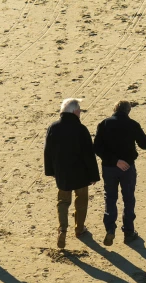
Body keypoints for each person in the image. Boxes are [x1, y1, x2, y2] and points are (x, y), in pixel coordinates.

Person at [44, 98, 100, 249]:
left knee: (63, 201)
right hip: (80, 174)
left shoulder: (53, 127)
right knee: (81, 201)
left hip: (62, 173)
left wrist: (51, 171)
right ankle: (79, 229)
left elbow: (47, 151)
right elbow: (89, 154)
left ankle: (62, 229)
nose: (80, 112)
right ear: (75, 111)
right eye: (80, 110)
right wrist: (94, 175)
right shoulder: (81, 129)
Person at [93, 100, 146, 246]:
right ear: (128, 110)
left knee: (110, 197)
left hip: (109, 168)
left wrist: (114, 160)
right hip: (127, 168)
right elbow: (145, 144)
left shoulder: (104, 124)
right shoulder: (133, 125)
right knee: (128, 198)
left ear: (114, 109)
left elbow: (97, 148)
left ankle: (110, 229)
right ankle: (129, 232)